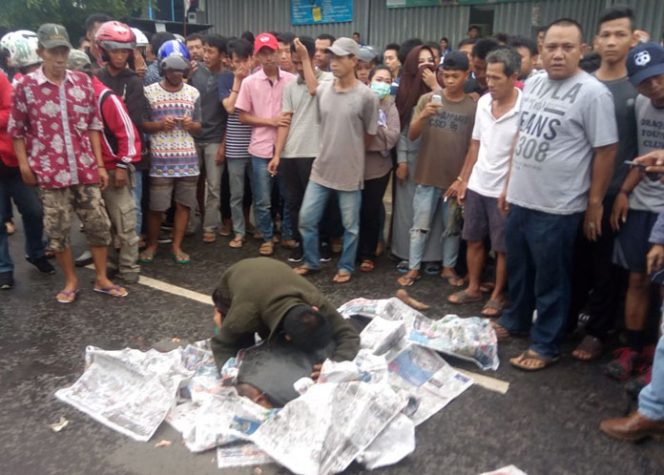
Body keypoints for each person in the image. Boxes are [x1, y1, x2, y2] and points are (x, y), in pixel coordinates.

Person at [493, 18, 618, 371]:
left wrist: (594, 203)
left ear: (583, 50)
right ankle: (517, 320)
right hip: (521, 198)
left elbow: (606, 150)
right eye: (551, 47)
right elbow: (521, 137)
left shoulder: (593, 93)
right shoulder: (533, 83)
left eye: (567, 48)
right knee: (519, 269)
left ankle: (546, 344)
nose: (558, 55)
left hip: (558, 207)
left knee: (551, 279)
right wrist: (508, 184)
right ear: (540, 49)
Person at [8, 23, 126, 303]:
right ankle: (71, 280)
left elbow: (93, 126)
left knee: (98, 224)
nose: (60, 57)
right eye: (53, 51)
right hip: (50, 172)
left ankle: (101, 278)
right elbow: (17, 130)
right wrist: (24, 165)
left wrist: (99, 165)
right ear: (41, 52)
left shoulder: (82, 82)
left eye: (63, 50)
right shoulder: (25, 86)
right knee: (58, 230)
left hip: (84, 168)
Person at [569, 6, 637, 363]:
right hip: (577, 190)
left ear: (632, 38)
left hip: (617, 194)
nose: (611, 42)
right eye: (606, 35)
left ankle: (598, 331)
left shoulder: (639, 86)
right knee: (575, 259)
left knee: (607, 264)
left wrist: (626, 189)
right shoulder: (585, 81)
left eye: (619, 34)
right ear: (595, 40)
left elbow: (643, 145)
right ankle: (571, 320)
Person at [294, 37, 378, 284]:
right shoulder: (323, 91)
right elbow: (324, 123)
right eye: (333, 56)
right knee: (306, 219)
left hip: (350, 172)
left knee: (350, 226)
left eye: (341, 57)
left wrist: (352, 153)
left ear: (354, 61)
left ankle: (346, 267)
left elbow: (370, 134)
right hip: (321, 169)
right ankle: (311, 261)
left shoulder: (367, 97)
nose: (335, 62)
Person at [446, 47, 522, 317]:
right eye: (488, 77)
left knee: (502, 247)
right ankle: (474, 287)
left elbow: (518, 154)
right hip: (479, 183)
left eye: (496, 78)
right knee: (474, 239)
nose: (489, 82)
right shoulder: (483, 103)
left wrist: (509, 189)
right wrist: (464, 179)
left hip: (504, 188)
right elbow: (475, 144)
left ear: (513, 76)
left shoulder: (525, 107)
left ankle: (498, 294)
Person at [606, 42, 664, 384]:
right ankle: (633, 349)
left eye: (658, 76)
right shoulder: (640, 104)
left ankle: (657, 362)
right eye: (644, 81)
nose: (653, 85)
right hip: (641, 202)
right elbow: (640, 155)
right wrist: (624, 193)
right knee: (637, 279)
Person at [397, 51, 476, 287]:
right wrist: (423, 116)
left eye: (455, 76)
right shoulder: (427, 99)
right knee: (419, 226)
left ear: (466, 75)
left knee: (451, 228)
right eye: (446, 75)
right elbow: (411, 135)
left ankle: (448, 267)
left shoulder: (472, 108)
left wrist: (463, 177)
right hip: (426, 175)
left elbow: (475, 146)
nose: (450, 81)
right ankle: (413, 267)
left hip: (454, 179)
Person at [599, 155, 664, 442]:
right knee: (638, 280)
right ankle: (653, 406)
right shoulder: (638, 107)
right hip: (645, 210)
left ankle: (653, 412)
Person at [76, 21, 148, 268]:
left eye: (124, 50)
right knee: (97, 213)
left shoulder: (134, 82)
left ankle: (129, 260)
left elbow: (134, 125)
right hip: (95, 159)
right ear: (103, 50)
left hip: (126, 155)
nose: (120, 55)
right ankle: (101, 253)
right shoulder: (95, 77)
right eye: (115, 50)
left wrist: (122, 163)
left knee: (129, 212)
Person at [210, 257, 361, 374]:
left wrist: (333, 366)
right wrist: (232, 378)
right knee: (244, 352)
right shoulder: (244, 316)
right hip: (234, 281)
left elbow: (349, 335)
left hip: (270, 274)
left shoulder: (313, 300)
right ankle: (220, 320)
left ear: (314, 310)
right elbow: (221, 345)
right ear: (287, 337)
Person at [68, 50, 142, 284]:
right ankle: (109, 265)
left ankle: (129, 267)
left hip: (113, 167)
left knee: (124, 222)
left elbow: (128, 134)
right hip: (88, 171)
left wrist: (122, 166)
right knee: (101, 224)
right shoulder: (73, 98)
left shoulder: (104, 97)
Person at [269, 36, 332, 263]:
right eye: (294, 63)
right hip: (291, 153)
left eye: (300, 61)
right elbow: (286, 121)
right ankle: (300, 243)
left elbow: (315, 90)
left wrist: (306, 60)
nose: (296, 67)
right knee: (294, 201)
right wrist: (277, 154)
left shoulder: (328, 80)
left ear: (312, 57)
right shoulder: (290, 86)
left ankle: (320, 242)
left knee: (316, 202)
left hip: (315, 152)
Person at [140, 40, 202, 265]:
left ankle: (177, 246)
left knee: (184, 204)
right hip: (160, 160)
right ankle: (153, 244)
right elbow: (143, 124)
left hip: (187, 158)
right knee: (157, 207)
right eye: (171, 69)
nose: (176, 73)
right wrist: (159, 125)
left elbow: (200, 125)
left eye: (180, 69)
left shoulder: (193, 93)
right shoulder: (149, 93)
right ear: (163, 68)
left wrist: (191, 124)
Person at [236, 32, 296, 256]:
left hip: (288, 147)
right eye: (264, 53)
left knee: (288, 196)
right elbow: (242, 116)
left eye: (272, 52)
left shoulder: (291, 80)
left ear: (279, 53)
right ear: (257, 56)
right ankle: (268, 237)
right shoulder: (250, 83)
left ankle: (288, 234)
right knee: (262, 198)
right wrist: (269, 121)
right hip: (260, 147)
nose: (269, 57)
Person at [391, 45, 444, 271]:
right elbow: (401, 129)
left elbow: (449, 112)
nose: (425, 65)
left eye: (429, 60)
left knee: (434, 210)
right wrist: (401, 160)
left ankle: (432, 256)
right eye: (420, 61)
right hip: (411, 158)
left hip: (436, 157)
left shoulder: (443, 88)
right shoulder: (403, 90)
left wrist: (435, 86)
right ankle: (405, 253)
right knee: (407, 208)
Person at [0, 69, 54, 289]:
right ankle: (4, 268)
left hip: (12, 160)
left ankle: (36, 252)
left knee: (34, 211)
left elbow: (10, 111)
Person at [358, 66, 400, 272]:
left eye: (387, 80)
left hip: (379, 169)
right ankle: (353, 252)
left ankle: (367, 254)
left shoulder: (391, 106)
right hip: (354, 165)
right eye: (379, 79)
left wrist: (372, 137)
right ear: (369, 80)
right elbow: (353, 135)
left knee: (371, 210)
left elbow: (392, 138)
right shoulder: (358, 100)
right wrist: (377, 134)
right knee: (352, 210)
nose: (382, 84)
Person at [189, 34, 228, 244]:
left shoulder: (228, 77)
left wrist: (223, 144)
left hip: (215, 139)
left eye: (210, 51)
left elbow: (230, 116)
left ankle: (210, 225)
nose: (205, 55)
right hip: (194, 137)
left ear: (222, 55)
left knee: (214, 186)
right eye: (204, 50)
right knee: (191, 183)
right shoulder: (195, 73)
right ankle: (191, 222)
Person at [219, 39, 254, 249]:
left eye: (244, 60)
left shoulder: (260, 79)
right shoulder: (225, 79)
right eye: (236, 61)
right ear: (230, 61)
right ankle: (239, 231)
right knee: (236, 192)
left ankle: (256, 227)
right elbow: (230, 108)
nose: (240, 65)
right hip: (235, 144)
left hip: (258, 143)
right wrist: (238, 81)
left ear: (251, 59)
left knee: (259, 192)